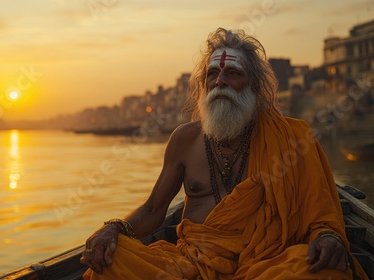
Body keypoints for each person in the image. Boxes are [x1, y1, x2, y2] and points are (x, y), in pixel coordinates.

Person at [80, 28, 368, 279]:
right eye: (212, 74)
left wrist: (328, 236)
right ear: (203, 85)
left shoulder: (294, 138)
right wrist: (114, 227)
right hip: (189, 265)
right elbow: (154, 210)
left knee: (326, 270)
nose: (220, 82)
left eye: (232, 73)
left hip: (267, 263)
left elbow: (320, 214)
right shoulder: (184, 139)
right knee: (112, 260)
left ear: (254, 86)